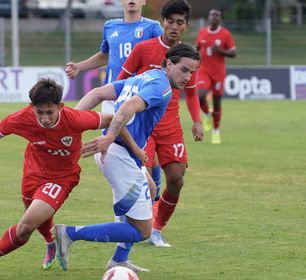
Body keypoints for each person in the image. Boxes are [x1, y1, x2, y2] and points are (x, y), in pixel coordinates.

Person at [0, 78, 117, 278]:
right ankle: (50, 242)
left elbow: (115, 119)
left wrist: (110, 140)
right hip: (32, 174)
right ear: (31, 107)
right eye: (39, 113)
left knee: (26, 225)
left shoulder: (76, 119)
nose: (44, 118)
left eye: (49, 112)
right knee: (35, 219)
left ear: (60, 107)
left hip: (62, 178)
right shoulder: (21, 118)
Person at [53, 43, 201, 273]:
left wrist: (70, 125)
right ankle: (69, 234)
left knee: (151, 189)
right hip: (117, 155)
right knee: (142, 231)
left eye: (192, 72)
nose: (188, 77)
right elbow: (129, 107)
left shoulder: (145, 76)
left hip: (122, 153)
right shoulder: (161, 87)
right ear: (169, 63)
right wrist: (109, 137)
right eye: (184, 70)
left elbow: (96, 94)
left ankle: (119, 259)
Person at [116, 0, 203, 248]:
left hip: (171, 127)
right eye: (170, 21)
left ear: (186, 26)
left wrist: (197, 121)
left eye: (180, 23)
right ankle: (129, 226)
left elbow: (193, 92)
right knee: (144, 179)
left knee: (176, 180)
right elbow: (122, 82)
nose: (174, 27)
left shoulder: (190, 56)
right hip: (144, 126)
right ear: (161, 22)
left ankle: (156, 228)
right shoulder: (143, 49)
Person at [65, 0, 162, 114]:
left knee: (131, 132)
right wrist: (79, 67)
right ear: (121, 2)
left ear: (143, 2)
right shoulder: (110, 26)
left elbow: (167, 49)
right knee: (108, 131)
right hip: (112, 93)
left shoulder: (153, 27)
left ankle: (69, 121)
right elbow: (105, 55)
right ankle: (68, 123)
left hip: (138, 93)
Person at [196, 9, 236, 144]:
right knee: (200, 96)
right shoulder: (202, 32)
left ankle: (216, 131)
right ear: (209, 17)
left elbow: (233, 53)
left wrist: (220, 51)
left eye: (217, 15)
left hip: (218, 73)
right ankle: (207, 114)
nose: (214, 17)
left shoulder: (225, 34)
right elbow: (198, 47)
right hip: (204, 70)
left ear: (220, 19)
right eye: (212, 14)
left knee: (217, 102)